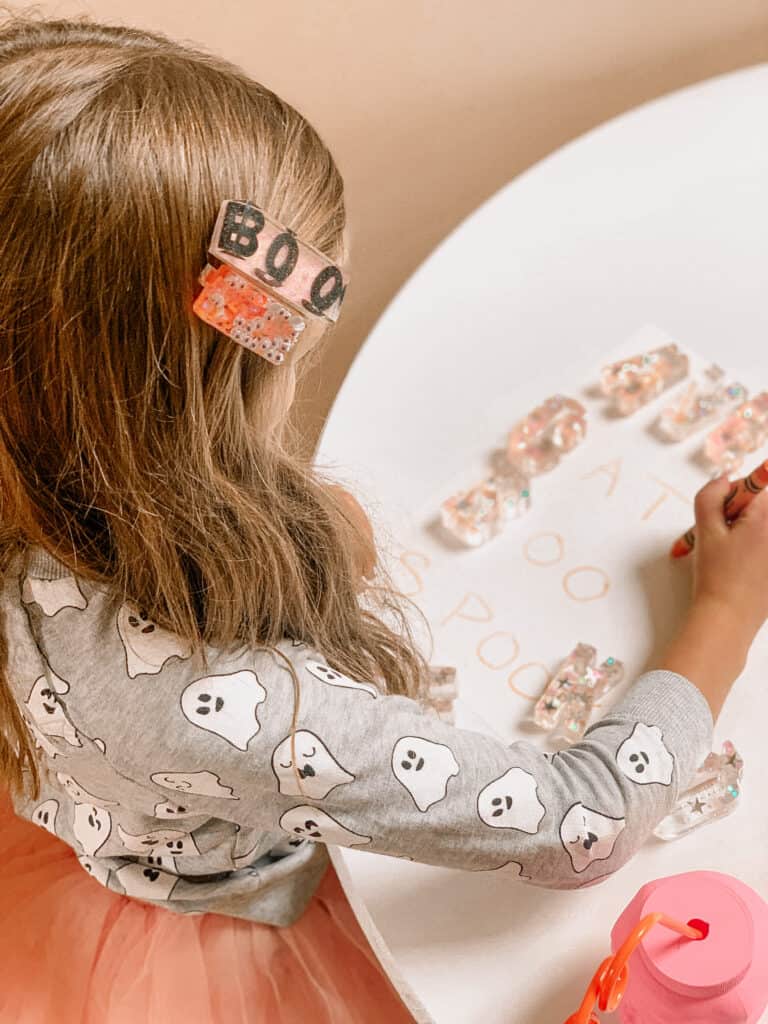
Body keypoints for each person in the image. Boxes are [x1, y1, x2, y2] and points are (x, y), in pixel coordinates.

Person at [1, 12, 766, 1024]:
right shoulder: (239, 708)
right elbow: (583, 821)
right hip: (248, 909)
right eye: (289, 335)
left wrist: (298, 529)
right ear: (192, 392)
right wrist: (728, 606)